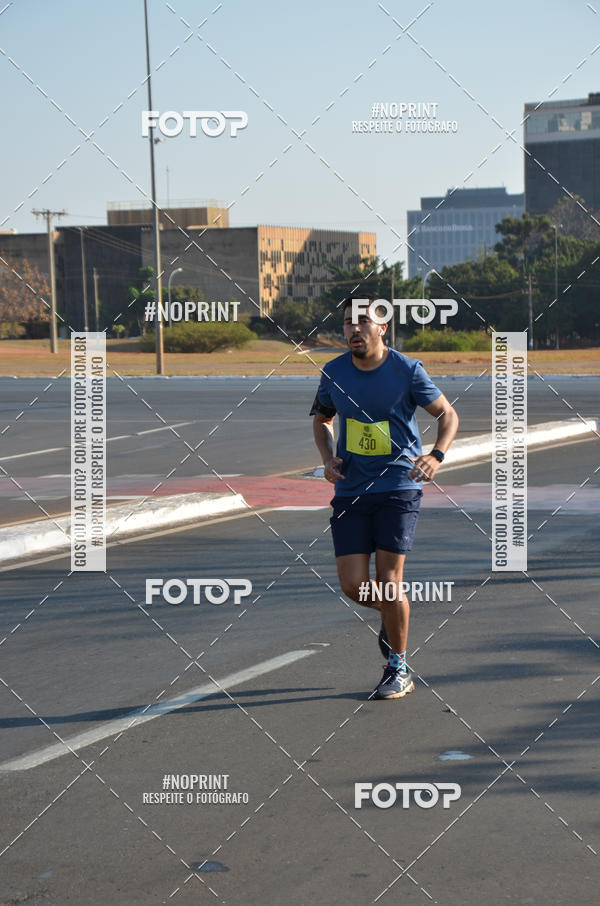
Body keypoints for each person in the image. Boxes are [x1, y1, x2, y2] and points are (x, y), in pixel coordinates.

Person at [310, 296, 459, 699]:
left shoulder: (407, 370)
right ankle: (394, 618)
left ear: (382, 328)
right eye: (346, 323)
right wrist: (327, 458)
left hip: (399, 487)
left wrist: (436, 455)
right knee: (354, 585)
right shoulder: (334, 371)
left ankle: (398, 667)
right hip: (351, 489)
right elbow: (322, 420)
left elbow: (447, 415)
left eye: (362, 322)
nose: (353, 329)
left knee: (389, 582)